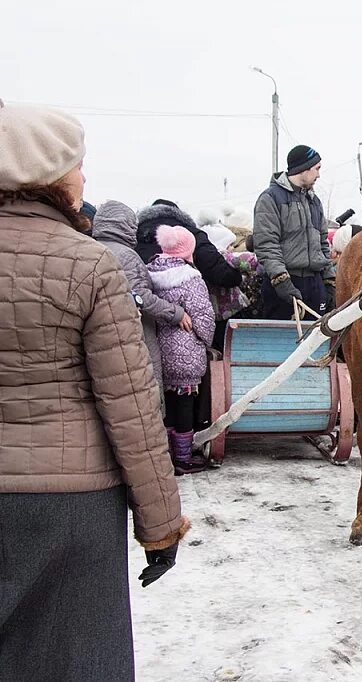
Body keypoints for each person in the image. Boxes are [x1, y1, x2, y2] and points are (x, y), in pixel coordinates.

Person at [0, 101, 188, 680]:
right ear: (51, 174)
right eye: (77, 166)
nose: (84, 177)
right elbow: (131, 405)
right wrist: (159, 524)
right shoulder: (90, 265)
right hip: (72, 507)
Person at [92, 200, 189, 393]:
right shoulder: (125, 255)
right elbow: (139, 295)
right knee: (146, 384)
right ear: (125, 225)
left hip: (102, 330)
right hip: (134, 330)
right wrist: (175, 313)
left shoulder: (91, 248)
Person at [148, 225, 216, 475]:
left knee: (166, 406)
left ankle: (166, 455)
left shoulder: (150, 273)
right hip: (185, 351)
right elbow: (204, 317)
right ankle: (183, 459)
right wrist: (207, 341)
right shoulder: (190, 278)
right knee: (185, 404)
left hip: (158, 349)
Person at [254, 144, 335, 320]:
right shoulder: (270, 198)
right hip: (285, 285)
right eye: (317, 169)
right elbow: (266, 244)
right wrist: (281, 281)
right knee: (283, 343)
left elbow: (323, 244)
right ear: (304, 168)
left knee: (318, 341)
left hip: (314, 284)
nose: (319, 175)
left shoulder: (315, 202)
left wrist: (329, 281)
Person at [136, 199, 243, 289]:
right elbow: (211, 263)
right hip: (186, 302)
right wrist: (235, 278)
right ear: (178, 214)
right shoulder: (191, 233)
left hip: (145, 305)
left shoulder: (134, 237)